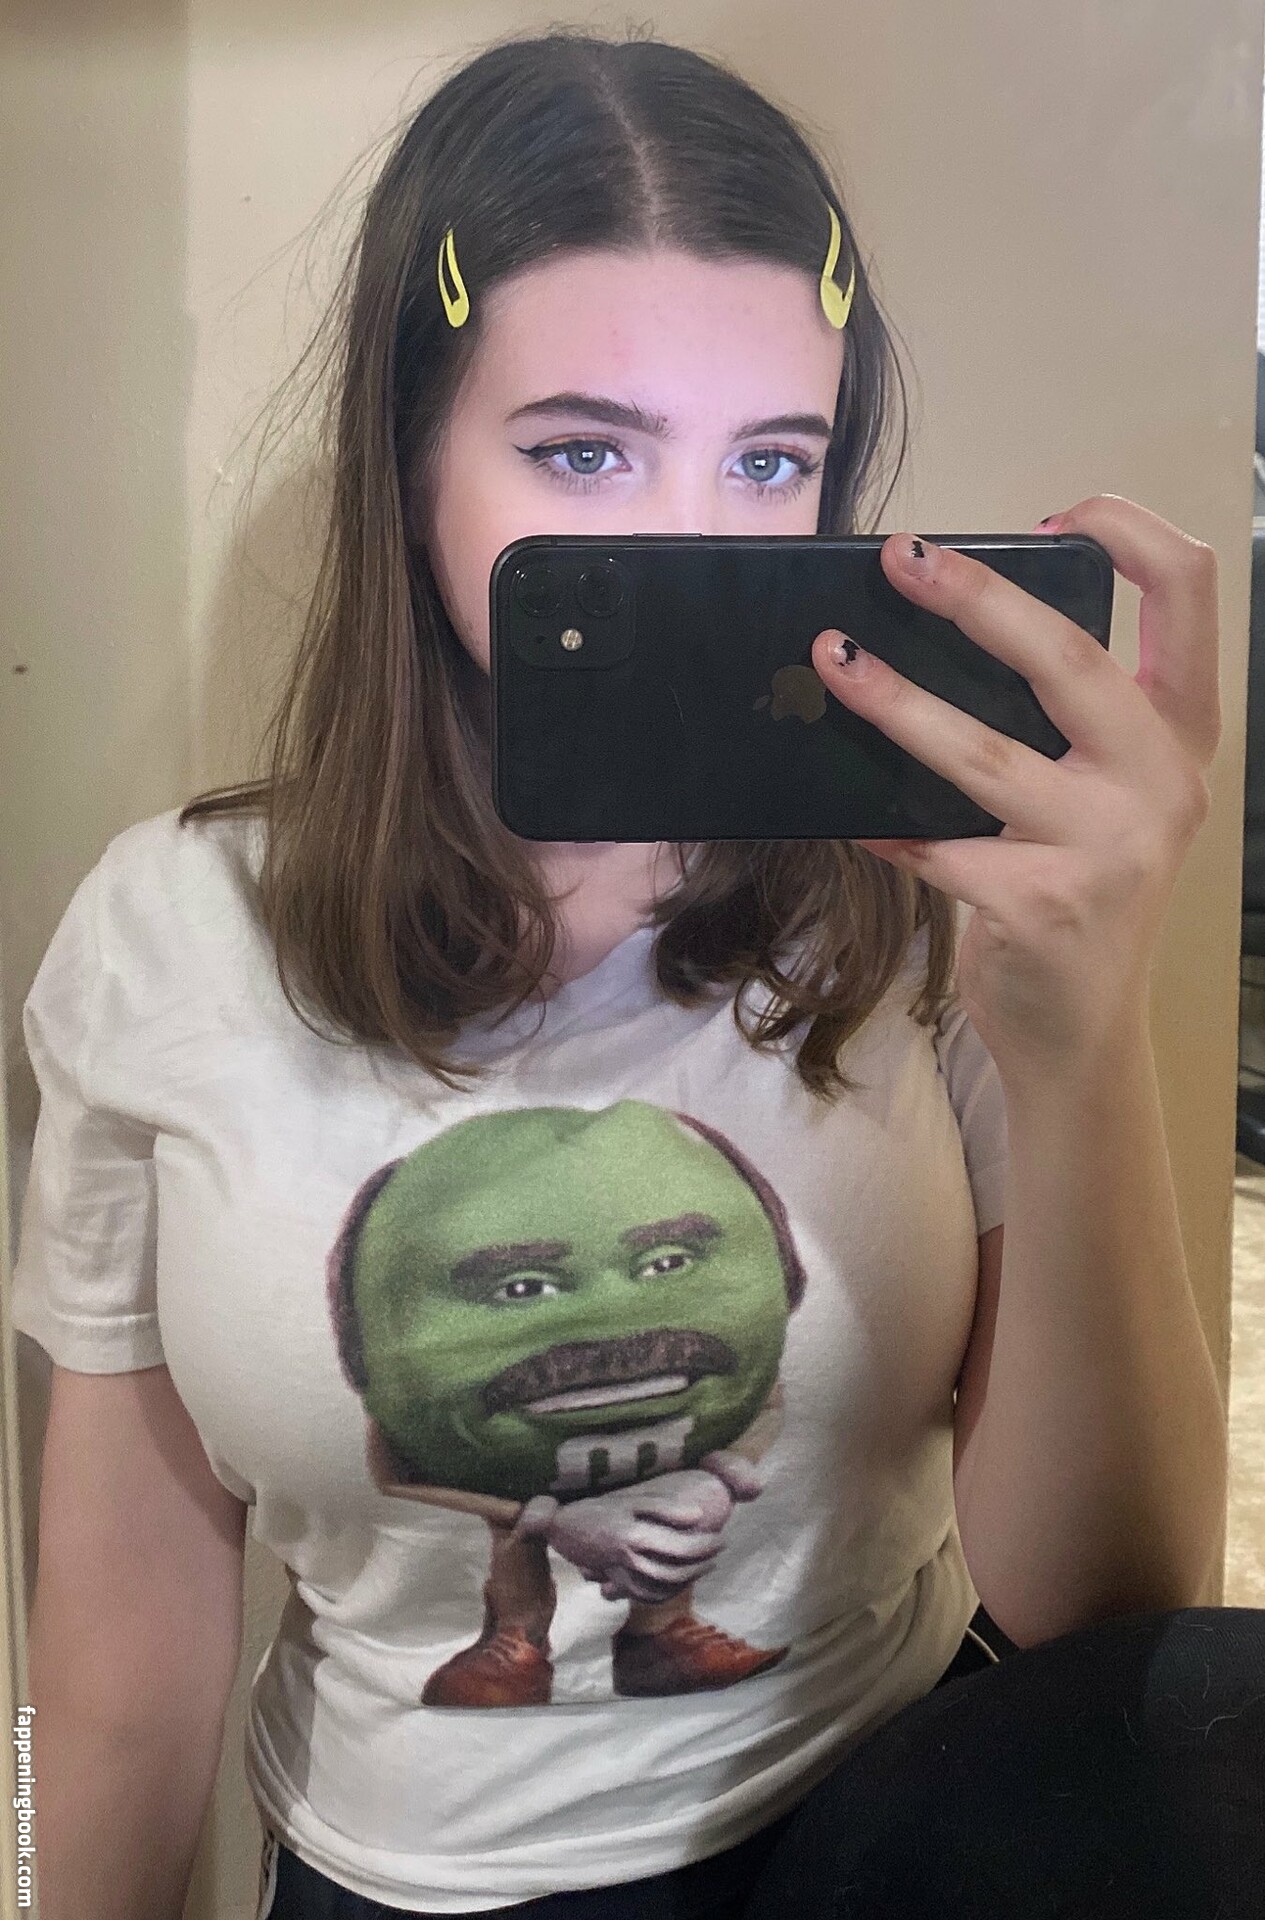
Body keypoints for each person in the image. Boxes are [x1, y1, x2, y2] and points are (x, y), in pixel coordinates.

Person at [11, 25, 1263, 1920]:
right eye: (582, 450)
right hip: (404, 1877)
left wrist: (1078, 1035)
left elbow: (1103, 1618)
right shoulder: (168, 935)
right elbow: (112, 1685)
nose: (687, 542)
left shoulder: (924, 890)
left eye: (769, 462)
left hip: (881, 1823)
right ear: (411, 460)